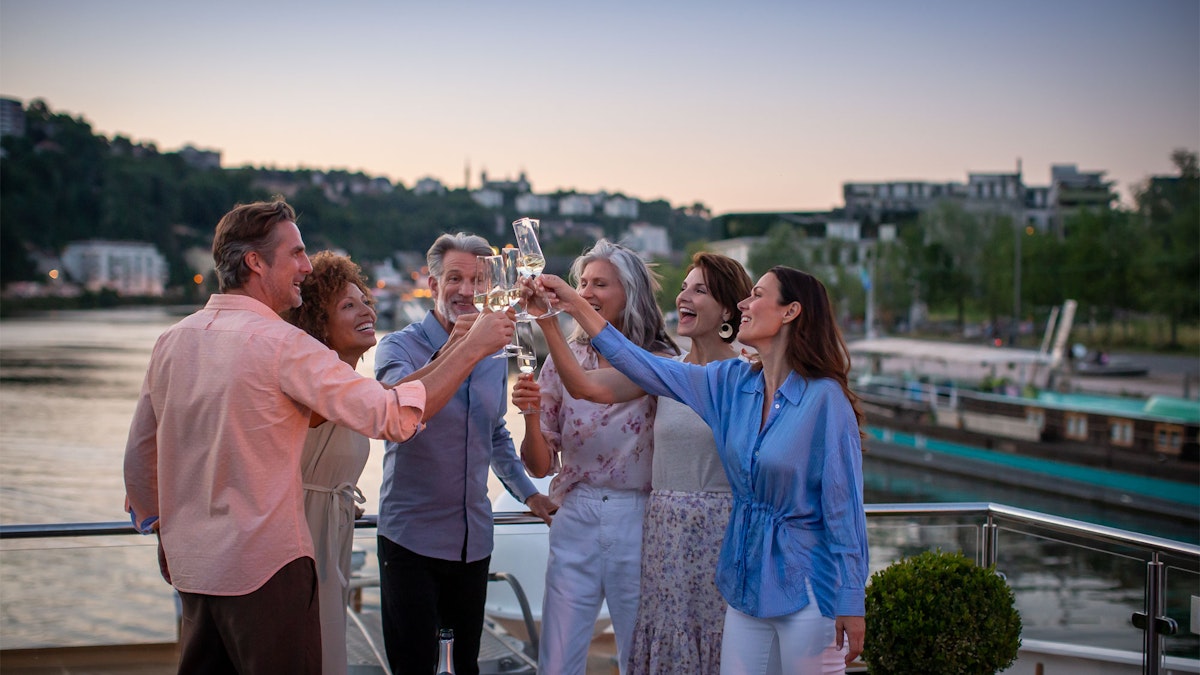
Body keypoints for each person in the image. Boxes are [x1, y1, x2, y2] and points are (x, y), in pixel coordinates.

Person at [123, 199, 515, 674]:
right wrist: (472, 346)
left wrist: (161, 530)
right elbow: (390, 414)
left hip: (192, 570)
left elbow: (141, 457)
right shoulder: (285, 345)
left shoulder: (172, 341)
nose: (306, 267)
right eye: (296, 253)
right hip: (267, 572)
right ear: (255, 262)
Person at [536, 265, 869, 674]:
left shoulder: (825, 399)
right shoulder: (729, 382)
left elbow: (844, 508)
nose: (744, 303)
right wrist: (571, 303)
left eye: (758, 295)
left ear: (790, 311)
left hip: (807, 588)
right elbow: (638, 363)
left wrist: (852, 600)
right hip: (743, 585)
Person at [528, 252, 753, 675]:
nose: (683, 296)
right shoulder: (669, 370)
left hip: (715, 533)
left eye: (699, 289)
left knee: (720, 653)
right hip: (664, 532)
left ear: (728, 309)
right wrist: (548, 319)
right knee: (660, 653)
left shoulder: (748, 376)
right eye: (684, 287)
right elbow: (586, 385)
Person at [373, 233, 555, 675]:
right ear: (433, 284)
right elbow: (398, 413)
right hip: (410, 542)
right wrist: (462, 347)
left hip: (474, 543)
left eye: (478, 280)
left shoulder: (494, 355)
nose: (467, 291)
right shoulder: (397, 347)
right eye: (454, 278)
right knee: (414, 668)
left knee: (465, 668)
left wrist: (531, 496)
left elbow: (494, 435)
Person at [510, 239, 678, 674]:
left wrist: (547, 320)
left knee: (639, 656)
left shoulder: (660, 360)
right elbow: (541, 465)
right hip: (577, 513)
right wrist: (529, 415)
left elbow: (593, 387)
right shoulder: (561, 361)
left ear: (631, 292)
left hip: (639, 516)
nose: (586, 292)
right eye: (582, 282)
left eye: (600, 284)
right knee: (558, 658)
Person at [283, 251, 379, 675]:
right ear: (319, 324)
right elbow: (388, 405)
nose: (366, 310)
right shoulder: (319, 390)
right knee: (312, 653)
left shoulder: (351, 385)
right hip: (302, 536)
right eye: (348, 305)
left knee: (326, 649)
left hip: (333, 530)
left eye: (364, 300)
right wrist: (466, 346)